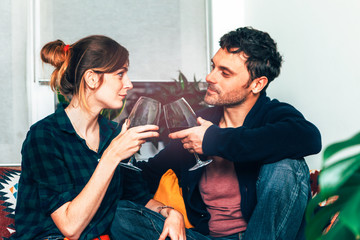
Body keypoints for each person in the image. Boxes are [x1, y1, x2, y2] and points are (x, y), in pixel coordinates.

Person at [112, 27, 322, 240]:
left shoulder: (273, 115)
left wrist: (213, 140)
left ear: (257, 84)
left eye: (225, 72)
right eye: (213, 67)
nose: (210, 77)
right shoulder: (197, 124)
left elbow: (309, 138)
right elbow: (147, 175)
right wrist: (115, 156)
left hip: (263, 234)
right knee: (120, 216)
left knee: (286, 165)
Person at [13, 35, 188, 240]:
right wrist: (111, 157)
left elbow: (139, 198)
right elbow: (70, 227)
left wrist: (170, 212)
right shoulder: (45, 136)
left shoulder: (113, 133)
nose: (129, 83)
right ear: (92, 78)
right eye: (120, 74)